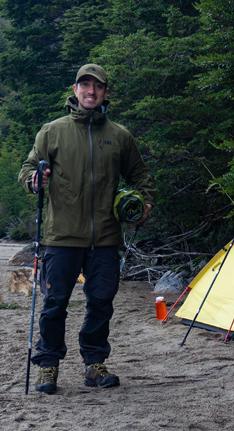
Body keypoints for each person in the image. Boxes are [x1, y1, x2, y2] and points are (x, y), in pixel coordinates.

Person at [17, 63, 156, 394]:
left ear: (106, 93)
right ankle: (48, 365)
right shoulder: (52, 131)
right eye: (85, 85)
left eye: (97, 86)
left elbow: (141, 178)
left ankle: (94, 364)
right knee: (54, 304)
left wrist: (144, 205)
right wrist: (34, 180)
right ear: (75, 90)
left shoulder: (120, 136)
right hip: (61, 237)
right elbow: (26, 170)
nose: (91, 91)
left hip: (106, 238)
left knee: (101, 302)